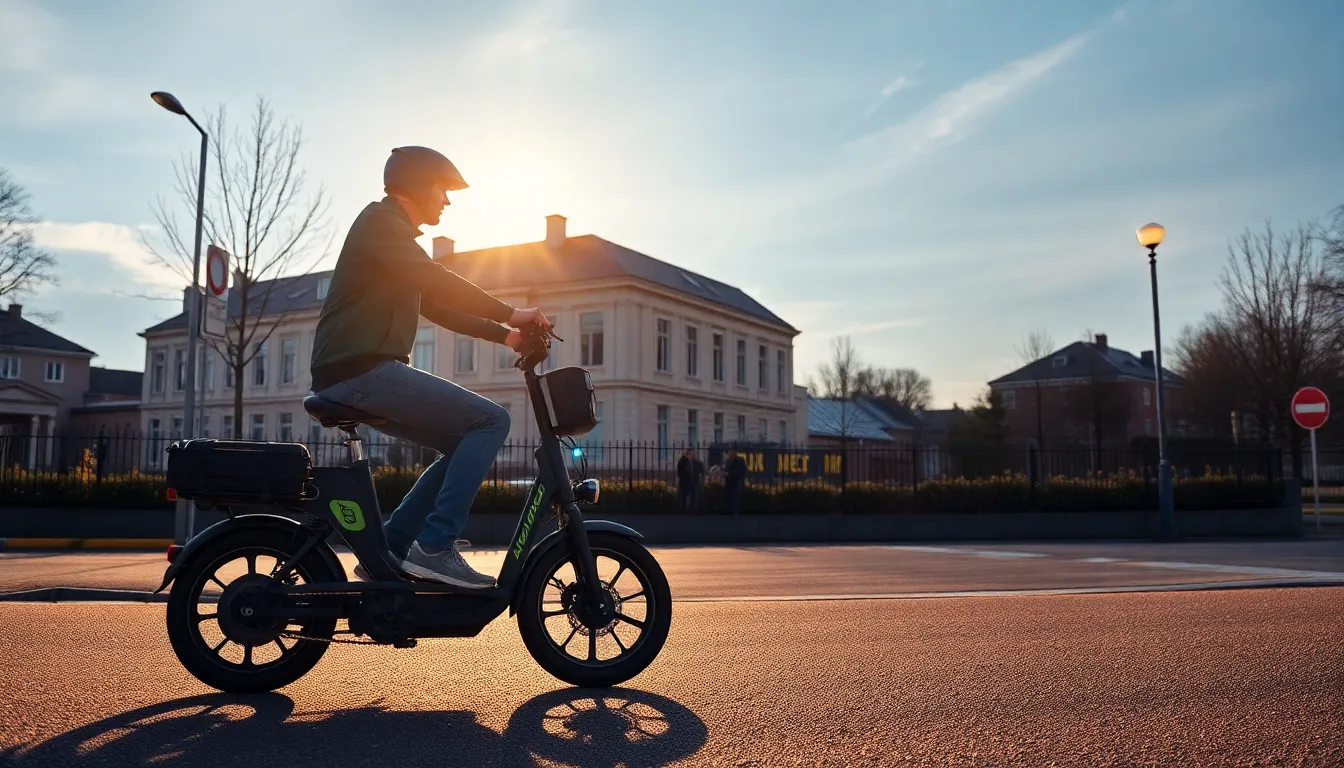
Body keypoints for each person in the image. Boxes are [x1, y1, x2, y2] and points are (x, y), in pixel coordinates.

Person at [308, 146, 550, 588]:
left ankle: (399, 547)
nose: (447, 200)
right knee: (492, 420)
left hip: (360, 373)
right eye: (443, 189)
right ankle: (435, 547)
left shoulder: (394, 241)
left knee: (463, 439)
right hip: (360, 371)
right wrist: (511, 312)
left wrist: (505, 334)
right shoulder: (380, 224)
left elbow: (437, 305)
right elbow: (437, 281)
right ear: (419, 184)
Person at [675, 448, 705, 513]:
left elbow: (701, 471)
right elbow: (680, 471)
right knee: (686, 495)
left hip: (695, 480)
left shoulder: (697, 463)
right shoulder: (683, 462)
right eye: (691, 454)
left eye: (693, 454)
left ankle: (695, 508)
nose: (693, 455)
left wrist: (701, 481)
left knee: (696, 495)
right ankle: (686, 509)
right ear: (687, 454)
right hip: (686, 481)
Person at [722, 447, 747, 514]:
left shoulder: (740, 460)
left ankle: (736, 510)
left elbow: (742, 471)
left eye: (732, 452)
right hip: (729, 481)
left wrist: (730, 473)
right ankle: (728, 510)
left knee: (736, 496)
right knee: (728, 496)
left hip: (737, 481)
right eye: (730, 452)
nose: (731, 454)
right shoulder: (727, 460)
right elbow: (725, 469)